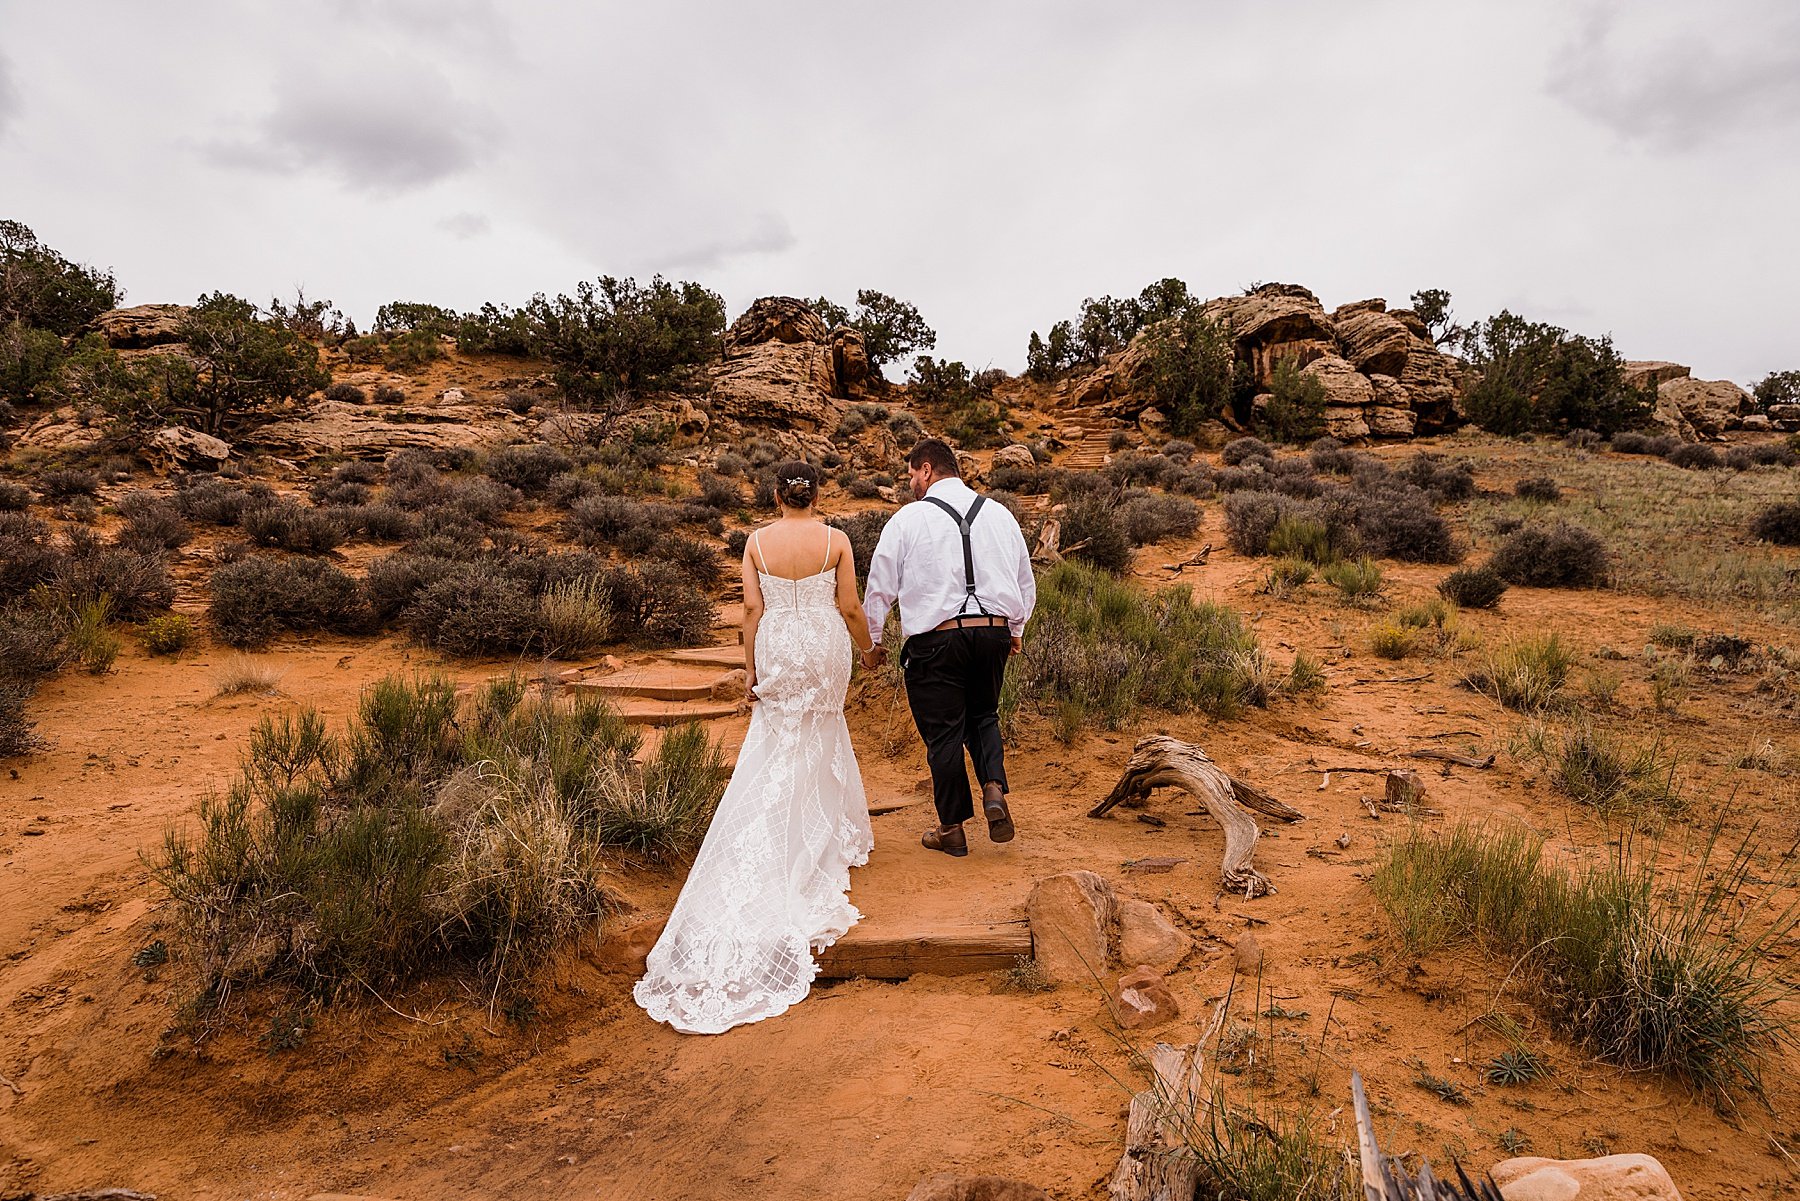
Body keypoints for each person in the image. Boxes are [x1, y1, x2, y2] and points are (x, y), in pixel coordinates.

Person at [635, 461, 876, 1035]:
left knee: (778, 738)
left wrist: (750, 669)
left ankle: (785, 828)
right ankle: (817, 830)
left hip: (778, 644)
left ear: (775, 495)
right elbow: (847, 607)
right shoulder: (836, 539)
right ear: (817, 495)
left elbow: (750, 610)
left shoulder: (756, 542)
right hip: (821, 644)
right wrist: (867, 649)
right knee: (820, 730)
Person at [862, 438, 1036, 857]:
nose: (910, 484)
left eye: (911, 475)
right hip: (992, 632)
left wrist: (873, 640)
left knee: (943, 733)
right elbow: (1024, 580)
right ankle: (993, 787)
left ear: (926, 469)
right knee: (984, 715)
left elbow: (879, 587)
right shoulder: (999, 514)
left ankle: (952, 829)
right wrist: (1016, 629)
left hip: (936, 639)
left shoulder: (907, 520)